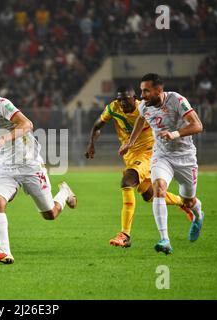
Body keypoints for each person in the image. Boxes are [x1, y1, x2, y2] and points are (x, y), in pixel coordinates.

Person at [0, 73, 77, 264]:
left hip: (30, 165)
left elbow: (27, 124)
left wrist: (4, 138)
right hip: (6, 169)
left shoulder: (0, 103)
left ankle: (64, 193)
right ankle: (5, 251)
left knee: (50, 214)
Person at [85, 86, 192, 248]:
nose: (122, 102)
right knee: (149, 194)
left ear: (134, 98)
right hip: (130, 155)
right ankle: (182, 202)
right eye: (119, 99)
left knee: (127, 181)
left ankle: (125, 234)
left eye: (125, 99)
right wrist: (91, 144)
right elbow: (97, 126)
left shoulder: (145, 107)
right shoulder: (113, 108)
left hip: (150, 152)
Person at [119, 73, 204, 254]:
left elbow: (197, 126)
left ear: (159, 90)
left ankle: (198, 215)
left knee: (189, 201)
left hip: (185, 157)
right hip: (161, 155)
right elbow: (141, 119)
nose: (142, 96)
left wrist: (174, 134)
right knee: (159, 188)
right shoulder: (144, 106)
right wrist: (131, 142)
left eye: (146, 91)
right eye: (141, 91)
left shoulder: (177, 100)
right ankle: (164, 239)